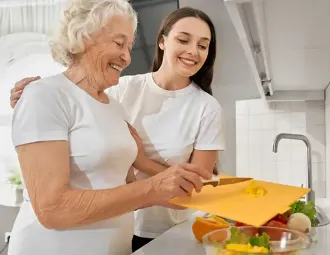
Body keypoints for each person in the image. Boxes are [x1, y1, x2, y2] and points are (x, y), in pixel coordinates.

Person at [10, 6, 225, 253]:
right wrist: (154, 189)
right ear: (84, 37)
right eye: (118, 43)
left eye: (128, 47)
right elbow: (52, 209)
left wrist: (165, 189)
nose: (127, 57)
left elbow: (124, 189)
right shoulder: (44, 95)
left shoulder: (113, 106)